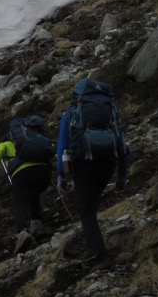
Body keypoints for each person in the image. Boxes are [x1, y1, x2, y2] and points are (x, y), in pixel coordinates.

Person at [56, 78, 130, 270]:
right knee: (90, 205)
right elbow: (122, 145)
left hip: (84, 164)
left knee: (86, 210)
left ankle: (101, 256)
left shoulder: (71, 113)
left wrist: (61, 176)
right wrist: (122, 177)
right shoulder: (111, 112)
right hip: (108, 164)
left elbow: (63, 146)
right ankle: (93, 244)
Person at [0, 116, 54, 254]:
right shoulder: (33, 139)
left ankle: (22, 231)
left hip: (22, 175)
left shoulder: (6, 143)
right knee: (34, 194)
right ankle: (37, 223)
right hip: (43, 172)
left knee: (19, 200)